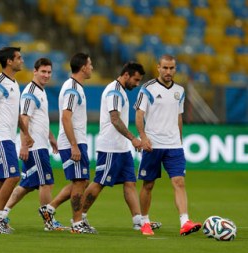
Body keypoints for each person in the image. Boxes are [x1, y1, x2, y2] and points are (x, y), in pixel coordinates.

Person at [79, 62, 156, 235]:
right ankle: (79, 218)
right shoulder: (114, 91)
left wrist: (129, 142)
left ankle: (138, 221)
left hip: (121, 148)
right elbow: (115, 119)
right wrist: (133, 139)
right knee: (99, 182)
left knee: (130, 182)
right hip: (110, 147)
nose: (137, 84)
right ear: (126, 75)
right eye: (135, 80)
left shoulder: (121, 91)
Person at [134, 54, 201, 236]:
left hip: (174, 146)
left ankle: (184, 221)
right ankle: (145, 221)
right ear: (158, 67)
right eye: (165, 68)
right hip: (153, 145)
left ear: (175, 69)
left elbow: (179, 117)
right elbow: (139, 115)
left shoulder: (179, 90)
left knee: (179, 182)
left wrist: (179, 140)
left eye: (172, 68)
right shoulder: (147, 88)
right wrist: (143, 137)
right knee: (148, 185)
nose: (168, 71)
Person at [2, 58, 66, 231]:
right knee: (46, 183)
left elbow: (41, 120)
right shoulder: (30, 92)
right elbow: (24, 119)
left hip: (40, 143)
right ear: (35, 71)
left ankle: (1, 215)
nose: (46, 75)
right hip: (35, 147)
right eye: (43, 71)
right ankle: (49, 222)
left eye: (49, 72)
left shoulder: (40, 91)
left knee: (27, 185)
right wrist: (24, 145)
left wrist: (51, 137)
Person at [38, 53, 94, 234]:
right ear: (83, 67)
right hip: (73, 142)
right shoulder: (71, 88)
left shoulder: (76, 87)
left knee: (83, 181)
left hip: (77, 141)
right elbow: (66, 117)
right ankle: (77, 223)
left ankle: (50, 208)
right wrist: (74, 145)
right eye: (90, 64)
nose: (92, 68)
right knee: (79, 181)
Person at [0, 47, 33, 234]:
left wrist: (26, 133)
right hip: (1, 137)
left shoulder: (13, 82)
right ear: (9, 62)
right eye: (19, 58)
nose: (22, 60)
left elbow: (16, 113)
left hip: (8, 136)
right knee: (13, 176)